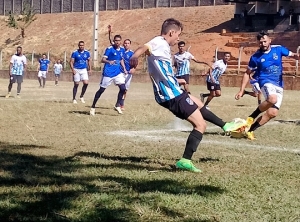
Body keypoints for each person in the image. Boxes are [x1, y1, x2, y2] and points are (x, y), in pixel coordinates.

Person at [129, 18, 243, 173]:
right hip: (171, 95)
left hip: (174, 90)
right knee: (201, 125)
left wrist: (176, 79)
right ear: (171, 32)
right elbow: (143, 48)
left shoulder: (162, 45)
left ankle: (225, 126)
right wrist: (134, 57)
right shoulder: (159, 42)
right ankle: (185, 160)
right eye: (178, 35)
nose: (178, 39)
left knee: (199, 103)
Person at [235, 31, 299, 140]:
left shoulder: (278, 49)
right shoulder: (256, 57)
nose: (263, 44)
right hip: (265, 81)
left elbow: (293, 55)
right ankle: (252, 117)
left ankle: (250, 130)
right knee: (272, 99)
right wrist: (241, 90)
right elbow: (247, 73)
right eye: (260, 42)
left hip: (279, 84)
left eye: (265, 41)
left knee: (273, 113)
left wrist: (297, 56)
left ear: (270, 40)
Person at [90, 35, 127, 115]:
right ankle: (93, 107)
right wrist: (109, 61)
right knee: (101, 90)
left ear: (121, 41)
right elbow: (102, 60)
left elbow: (121, 59)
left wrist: (124, 68)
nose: (117, 42)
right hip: (108, 73)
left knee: (123, 88)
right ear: (114, 41)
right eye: (116, 40)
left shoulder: (122, 50)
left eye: (119, 40)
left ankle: (117, 105)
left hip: (117, 72)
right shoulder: (109, 49)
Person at [119, 39, 135, 110]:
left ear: (130, 44)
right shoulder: (120, 51)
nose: (126, 44)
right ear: (123, 44)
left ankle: (121, 103)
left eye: (128, 43)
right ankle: (119, 103)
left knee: (125, 90)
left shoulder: (132, 53)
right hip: (120, 72)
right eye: (125, 43)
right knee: (122, 88)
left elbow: (135, 62)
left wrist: (134, 68)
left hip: (128, 73)